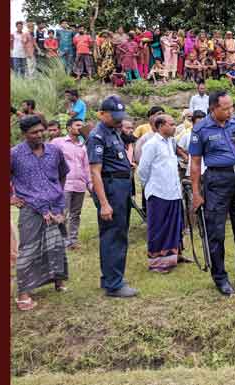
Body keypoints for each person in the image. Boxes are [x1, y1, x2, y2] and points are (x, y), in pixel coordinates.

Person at [189, 90, 235, 295]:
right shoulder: (200, 129)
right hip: (217, 181)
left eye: (231, 106)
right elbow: (195, 164)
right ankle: (220, 277)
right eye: (225, 108)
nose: (230, 111)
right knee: (216, 231)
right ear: (213, 109)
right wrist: (196, 193)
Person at [11, 116, 70, 311]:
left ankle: (58, 281)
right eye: (33, 132)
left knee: (56, 245)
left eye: (41, 131)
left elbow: (63, 173)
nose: (39, 135)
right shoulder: (15, 154)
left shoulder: (54, 151)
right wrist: (12, 197)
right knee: (29, 249)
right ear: (24, 134)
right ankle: (24, 293)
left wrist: (57, 194)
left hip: (55, 207)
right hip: (31, 208)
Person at [86, 96, 139, 298]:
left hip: (121, 186)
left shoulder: (113, 132)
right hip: (111, 188)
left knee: (117, 234)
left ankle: (109, 278)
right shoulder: (97, 136)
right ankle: (114, 284)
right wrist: (105, 204)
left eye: (120, 116)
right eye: (114, 116)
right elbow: (95, 172)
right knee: (114, 236)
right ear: (101, 114)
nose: (119, 120)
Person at [137, 114, 183, 274]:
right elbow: (142, 169)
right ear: (161, 126)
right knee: (158, 228)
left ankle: (172, 257)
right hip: (158, 192)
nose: (174, 126)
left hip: (173, 191)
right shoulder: (152, 144)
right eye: (171, 124)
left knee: (173, 227)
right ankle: (157, 263)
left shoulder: (171, 142)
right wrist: (150, 186)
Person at [50, 118, 92, 250]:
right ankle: (60, 242)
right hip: (64, 185)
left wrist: (89, 183)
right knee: (62, 213)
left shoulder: (83, 146)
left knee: (75, 214)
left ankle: (72, 241)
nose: (80, 127)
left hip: (79, 185)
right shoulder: (58, 142)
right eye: (77, 125)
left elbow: (86, 167)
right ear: (69, 128)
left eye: (82, 125)